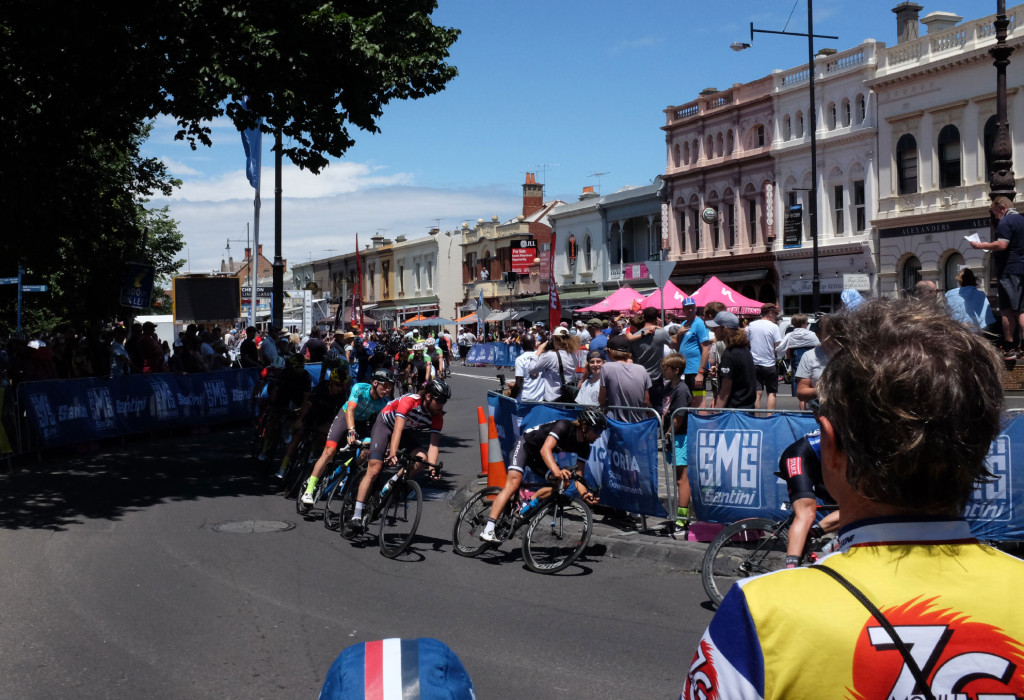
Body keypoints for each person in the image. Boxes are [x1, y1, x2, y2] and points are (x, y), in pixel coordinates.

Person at [682, 296, 1024, 700]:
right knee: (806, 511)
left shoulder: (758, 616)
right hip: (799, 464)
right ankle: (795, 556)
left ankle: (797, 562)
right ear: (985, 443)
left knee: (813, 514)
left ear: (830, 443)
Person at [479, 408, 604, 543]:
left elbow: (579, 476)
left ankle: (528, 504)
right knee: (513, 484)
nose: (599, 435)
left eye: (601, 432)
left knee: (564, 483)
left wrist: (584, 494)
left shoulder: (585, 447)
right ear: (584, 427)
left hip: (538, 458)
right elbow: (545, 450)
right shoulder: (565, 426)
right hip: (525, 446)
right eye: (597, 431)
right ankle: (489, 528)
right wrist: (557, 470)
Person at [344, 378, 450, 536]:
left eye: (444, 402)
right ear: (428, 396)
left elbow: (434, 445)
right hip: (385, 425)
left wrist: (432, 468)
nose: (442, 406)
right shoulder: (409, 401)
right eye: (440, 401)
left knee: (422, 459)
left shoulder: (437, 416)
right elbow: (397, 430)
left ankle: (393, 482)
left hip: (405, 432)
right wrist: (392, 452)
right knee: (374, 469)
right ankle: (356, 515)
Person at [299, 368, 392, 507]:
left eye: (390, 387)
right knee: (329, 452)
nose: (387, 390)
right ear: (375, 383)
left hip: (361, 423)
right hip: (344, 417)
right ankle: (309, 489)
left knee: (367, 448)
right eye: (385, 386)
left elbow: (386, 425)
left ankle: (351, 473)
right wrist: (351, 430)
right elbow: (350, 410)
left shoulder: (384, 402)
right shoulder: (359, 388)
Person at [777, 428, 841, 568]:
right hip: (800, 456)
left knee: (855, 509)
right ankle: (790, 572)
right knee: (806, 513)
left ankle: (811, 533)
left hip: (822, 466)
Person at [971, 195, 1024, 359]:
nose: (995, 217)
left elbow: (1002, 244)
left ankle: (1009, 347)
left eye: (995, 213)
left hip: (1009, 270)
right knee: (1020, 308)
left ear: (1002, 208)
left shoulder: (1006, 222)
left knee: (1010, 310)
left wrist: (981, 245)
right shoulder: (1022, 220)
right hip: (1021, 268)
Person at [279, 366, 350, 482]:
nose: (340, 388)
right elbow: (308, 403)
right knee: (298, 436)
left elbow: (341, 414)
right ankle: (283, 467)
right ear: (331, 382)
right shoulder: (321, 387)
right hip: (311, 413)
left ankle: (312, 452)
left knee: (324, 435)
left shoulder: (342, 394)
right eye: (338, 385)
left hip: (325, 418)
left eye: (342, 385)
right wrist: (300, 420)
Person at [661, 353, 692, 529]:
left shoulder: (681, 390)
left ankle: (683, 517)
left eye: (665, 369)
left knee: (682, 478)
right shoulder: (668, 387)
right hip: (671, 436)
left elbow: (678, 417)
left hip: (680, 437)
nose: (663, 372)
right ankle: (679, 514)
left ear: (676, 370)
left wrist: (667, 433)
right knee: (677, 477)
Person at [626, 306, 673, 409]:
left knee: (640, 408)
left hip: (639, 378)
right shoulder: (661, 332)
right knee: (657, 408)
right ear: (657, 318)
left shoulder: (634, 336)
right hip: (656, 379)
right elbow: (673, 345)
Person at [598, 334, 651, 422]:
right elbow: (646, 401)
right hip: (638, 423)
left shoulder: (606, 367)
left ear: (610, 351)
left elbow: (602, 400)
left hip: (616, 423)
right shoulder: (642, 369)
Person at [709, 311, 755, 409]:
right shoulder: (744, 349)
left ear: (724, 329)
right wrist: (720, 370)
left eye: (716, 328)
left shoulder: (729, 354)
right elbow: (740, 373)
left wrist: (716, 414)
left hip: (734, 413)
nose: (713, 330)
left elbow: (724, 393)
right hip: (748, 410)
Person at [775, 313, 819, 409]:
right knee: (811, 386)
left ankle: (802, 410)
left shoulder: (790, 335)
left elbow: (784, 349)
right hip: (811, 362)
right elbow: (818, 346)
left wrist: (786, 359)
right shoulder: (811, 334)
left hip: (797, 362)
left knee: (801, 389)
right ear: (804, 323)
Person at [527, 327, 579, 402]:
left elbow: (532, 370)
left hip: (553, 398)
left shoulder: (551, 355)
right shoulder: (573, 355)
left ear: (554, 339)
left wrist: (538, 352)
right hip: (568, 397)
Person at [746, 303, 782, 410]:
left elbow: (748, 341)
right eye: (775, 313)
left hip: (755, 363)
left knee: (757, 393)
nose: (776, 316)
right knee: (771, 393)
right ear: (770, 313)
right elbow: (778, 345)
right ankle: (769, 418)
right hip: (769, 363)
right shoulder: (773, 326)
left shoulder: (752, 325)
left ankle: (756, 418)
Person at [677, 298, 711, 407]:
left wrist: (700, 373)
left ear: (695, 308)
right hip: (687, 370)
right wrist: (678, 334)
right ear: (683, 309)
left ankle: (701, 424)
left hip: (696, 370)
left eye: (692, 307)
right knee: (692, 401)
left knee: (699, 401)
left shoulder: (699, 323)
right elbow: (679, 347)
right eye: (687, 308)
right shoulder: (684, 323)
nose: (689, 310)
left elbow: (706, 348)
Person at [945, 267, 996, 334]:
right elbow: (987, 318)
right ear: (974, 280)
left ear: (960, 281)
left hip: (957, 331)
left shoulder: (949, 294)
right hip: (977, 332)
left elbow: (946, 314)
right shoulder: (980, 294)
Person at [508, 334, 542, 401]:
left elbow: (518, 385)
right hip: (540, 399)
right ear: (534, 343)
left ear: (522, 344)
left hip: (525, 399)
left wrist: (511, 398)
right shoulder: (541, 356)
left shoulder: (520, 359)